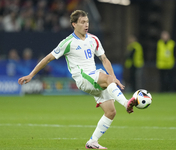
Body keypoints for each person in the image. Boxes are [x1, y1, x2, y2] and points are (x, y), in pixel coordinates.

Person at [18, 10, 137, 149]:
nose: (86, 25)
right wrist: (31, 75)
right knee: (107, 79)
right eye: (82, 22)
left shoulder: (94, 39)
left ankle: (92, 142)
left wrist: (114, 78)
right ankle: (126, 103)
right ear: (74, 24)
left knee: (110, 112)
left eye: (87, 22)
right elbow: (48, 58)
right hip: (83, 78)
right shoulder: (68, 42)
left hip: (94, 76)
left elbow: (104, 59)